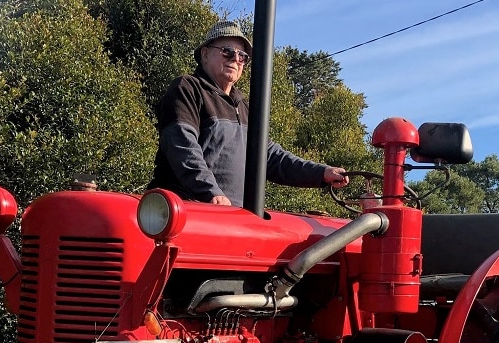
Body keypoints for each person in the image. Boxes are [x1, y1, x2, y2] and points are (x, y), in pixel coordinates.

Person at [147, 20, 349, 207]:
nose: (236, 59)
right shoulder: (188, 88)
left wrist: (321, 173)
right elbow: (182, 147)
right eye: (227, 52)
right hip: (187, 210)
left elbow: (270, 157)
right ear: (205, 54)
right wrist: (211, 192)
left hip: (234, 217)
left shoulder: (244, 106)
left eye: (242, 56)